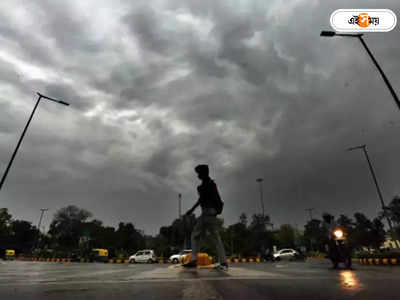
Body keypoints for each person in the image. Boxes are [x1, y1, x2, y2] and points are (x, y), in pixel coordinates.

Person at [183, 164, 227, 269]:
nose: (197, 175)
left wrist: (191, 210)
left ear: (203, 173)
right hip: (212, 212)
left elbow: (201, 200)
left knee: (195, 235)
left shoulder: (203, 186)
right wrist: (217, 210)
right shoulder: (212, 184)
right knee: (216, 237)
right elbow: (217, 197)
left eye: (198, 173)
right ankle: (223, 262)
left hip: (206, 213)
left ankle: (194, 260)